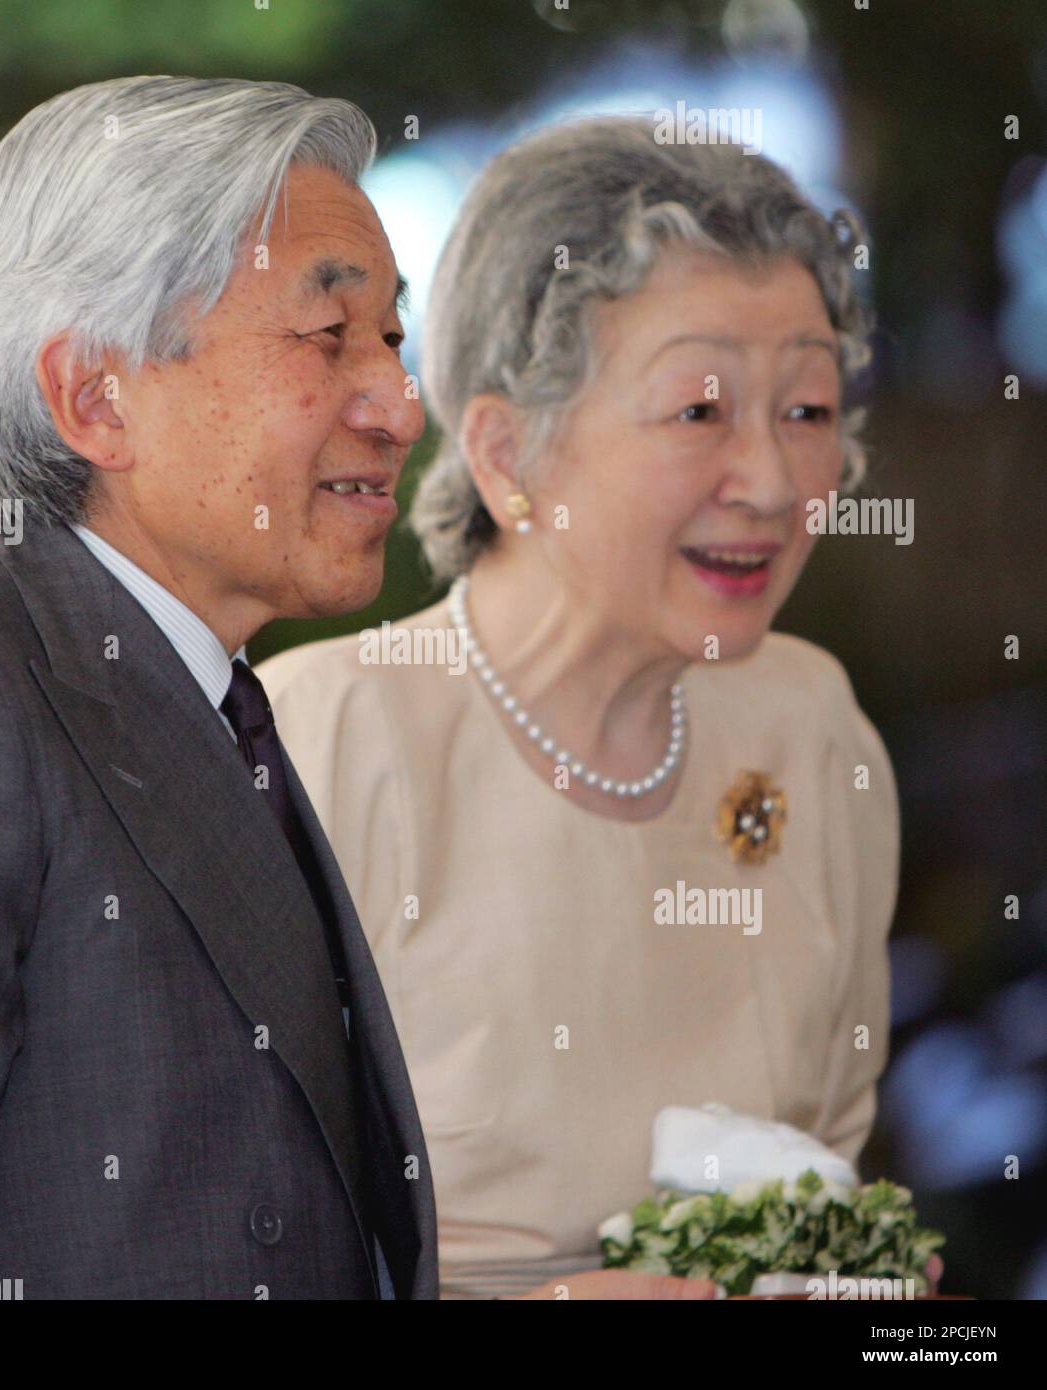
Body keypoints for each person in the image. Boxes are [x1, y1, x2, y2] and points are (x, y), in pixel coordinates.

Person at [0, 75, 438, 1299]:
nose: (398, 405)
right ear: (95, 396)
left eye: (393, 339)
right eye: (327, 335)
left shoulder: (205, 692)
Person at [259, 117, 901, 1299]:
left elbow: (837, 1208)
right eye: (700, 411)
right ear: (509, 452)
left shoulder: (809, 729)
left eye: (806, 410)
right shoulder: (316, 747)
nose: (768, 481)